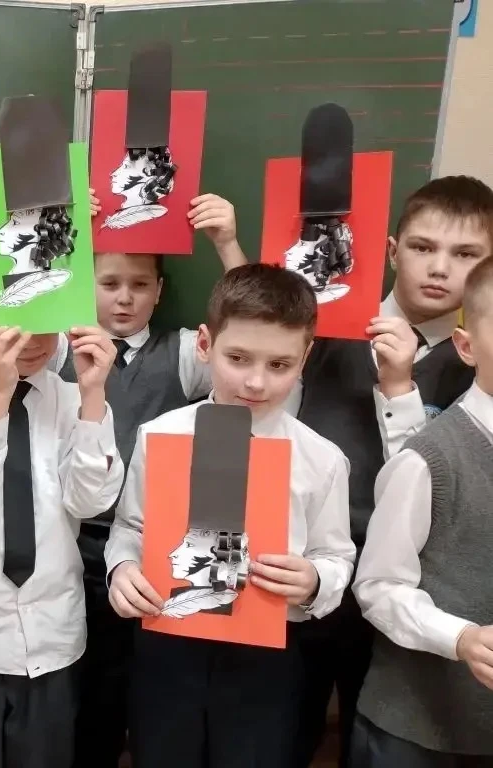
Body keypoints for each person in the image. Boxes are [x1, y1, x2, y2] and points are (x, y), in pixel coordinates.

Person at [106, 263, 357, 768]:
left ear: (305, 357)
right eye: (238, 358)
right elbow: (131, 526)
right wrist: (122, 568)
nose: (256, 381)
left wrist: (314, 579)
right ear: (205, 344)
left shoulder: (322, 459)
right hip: (169, 645)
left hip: (268, 655)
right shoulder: (160, 435)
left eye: (280, 365)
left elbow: (336, 554)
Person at [294, 175, 493, 767]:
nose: (440, 268)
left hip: (412, 589)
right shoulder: (324, 323)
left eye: (465, 255)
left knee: (376, 722)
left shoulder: (477, 362)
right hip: (308, 566)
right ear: (391, 251)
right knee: (287, 724)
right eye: (423, 247)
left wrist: (400, 385)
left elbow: (431, 466)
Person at [65, 190, 248, 768]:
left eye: (140, 284)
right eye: (109, 282)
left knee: (144, 689)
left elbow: (252, 330)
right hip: (71, 546)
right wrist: (68, 233)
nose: (124, 297)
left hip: (154, 554)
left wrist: (227, 244)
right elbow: (13, 311)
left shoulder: (186, 352)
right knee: (80, 693)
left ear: (160, 291)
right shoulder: (58, 348)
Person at [0, 314, 124, 768]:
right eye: (16, 326)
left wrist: (94, 394)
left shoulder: (76, 400)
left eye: (45, 323)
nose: (31, 341)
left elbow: (89, 500)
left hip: (54, 634)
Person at [350, 255, 493, 767]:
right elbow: (378, 586)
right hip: (416, 730)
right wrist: (461, 638)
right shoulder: (428, 459)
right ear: (466, 346)